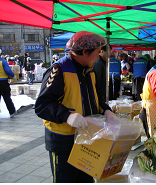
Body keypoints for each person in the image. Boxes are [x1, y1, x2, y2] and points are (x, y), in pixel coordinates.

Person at [35, 31, 117, 183]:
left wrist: (106, 110)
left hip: (87, 140)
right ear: (85, 52)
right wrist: (67, 116)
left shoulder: (90, 70)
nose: (99, 56)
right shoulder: (59, 69)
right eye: (97, 53)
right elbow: (42, 105)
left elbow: (96, 98)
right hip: (63, 142)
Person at [0, 49, 16, 118]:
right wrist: (13, 75)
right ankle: (12, 112)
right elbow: (8, 71)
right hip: (3, 82)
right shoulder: (3, 62)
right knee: (7, 98)